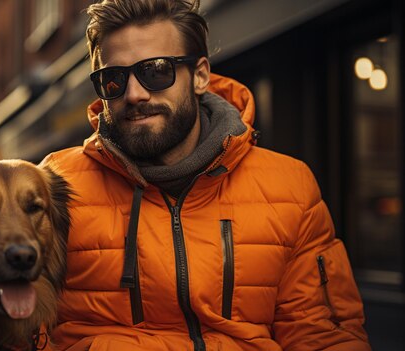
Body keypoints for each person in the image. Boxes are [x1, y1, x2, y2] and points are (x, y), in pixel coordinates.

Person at [40, 1, 371, 350]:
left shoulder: (289, 185)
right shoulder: (56, 186)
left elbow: (321, 336)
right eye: (113, 79)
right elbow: (18, 331)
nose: (134, 94)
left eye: (155, 70)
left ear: (200, 75)